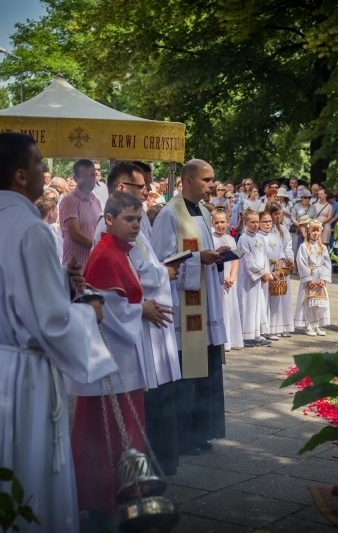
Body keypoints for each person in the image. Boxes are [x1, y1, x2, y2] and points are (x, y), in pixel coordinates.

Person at [0, 132, 118, 532]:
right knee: (25, 478)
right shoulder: (30, 229)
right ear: (19, 175)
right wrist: (91, 312)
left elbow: (4, 285)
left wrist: (57, 277)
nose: (46, 171)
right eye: (40, 164)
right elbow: (51, 323)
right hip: (18, 377)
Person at [91, 161, 183, 476]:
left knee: (138, 411)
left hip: (142, 322)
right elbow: (109, 298)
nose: (145, 193)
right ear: (120, 189)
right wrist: (142, 306)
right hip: (126, 335)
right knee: (120, 418)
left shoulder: (127, 228)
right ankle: (121, 478)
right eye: (138, 187)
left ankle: (140, 468)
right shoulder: (108, 233)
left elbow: (138, 267)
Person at [70, 191, 152, 524]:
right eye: (129, 219)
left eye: (138, 219)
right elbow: (105, 310)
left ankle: (125, 490)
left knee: (125, 428)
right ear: (109, 219)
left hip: (123, 359)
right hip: (111, 361)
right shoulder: (104, 254)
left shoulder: (119, 250)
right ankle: (102, 497)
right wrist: (141, 309)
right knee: (107, 431)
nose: (135, 225)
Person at [149, 158, 227, 456]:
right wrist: (199, 258)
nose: (211, 185)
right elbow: (161, 258)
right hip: (185, 305)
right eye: (207, 180)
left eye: (212, 180)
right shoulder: (170, 214)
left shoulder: (204, 213)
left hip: (206, 301)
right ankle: (182, 437)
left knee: (205, 368)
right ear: (187, 179)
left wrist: (216, 255)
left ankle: (200, 432)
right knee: (188, 371)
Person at [237, 209, 273, 346]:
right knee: (248, 304)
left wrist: (266, 272)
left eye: (257, 222)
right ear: (245, 223)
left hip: (259, 278)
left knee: (259, 305)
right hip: (248, 278)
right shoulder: (243, 239)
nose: (255, 225)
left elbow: (265, 257)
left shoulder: (261, 238)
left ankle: (257, 334)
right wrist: (262, 272)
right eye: (252, 222)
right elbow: (248, 260)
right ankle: (246, 335)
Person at [211, 209, 244, 351]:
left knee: (231, 309)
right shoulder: (211, 238)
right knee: (220, 308)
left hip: (230, 280)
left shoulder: (230, 239)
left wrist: (232, 276)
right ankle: (221, 341)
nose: (220, 225)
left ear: (228, 222)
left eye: (222, 222)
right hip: (217, 279)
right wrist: (222, 277)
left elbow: (236, 258)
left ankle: (231, 340)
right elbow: (211, 260)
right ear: (212, 223)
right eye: (216, 222)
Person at [59, 159, 101, 269]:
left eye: (92, 175)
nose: (90, 180)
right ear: (75, 179)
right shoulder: (70, 200)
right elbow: (75, 234)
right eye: (85, 177)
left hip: (93, 266)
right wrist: (99, 247)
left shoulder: (95, 201)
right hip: (76, 269)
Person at [294, 219, 332, 335]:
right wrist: (308, 279)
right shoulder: (304, 247)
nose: (315, 233)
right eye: (313, 231)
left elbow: (327, 263)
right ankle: (308, 325)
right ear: (308, 232)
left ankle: (317, 325)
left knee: (318, 302)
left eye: (317, 231)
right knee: (308, 302)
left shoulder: (323, 248)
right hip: (310, 277)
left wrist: (324, 279)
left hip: (320, 277)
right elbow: (301, 263)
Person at [264, 202, 295, 337]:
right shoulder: (265, 230)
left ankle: (284, 326)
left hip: (282, 266)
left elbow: (288, 245)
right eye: (275, 214)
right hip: (270, 266)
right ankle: (271, 327)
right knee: (271, 296)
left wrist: (290, 258)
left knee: (283, 295)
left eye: (279, 213)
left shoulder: (283, 229)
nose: (278, 216)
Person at [35, 196, 63, 263]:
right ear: (51, 214)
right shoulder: (43, 231)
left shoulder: (51, 228)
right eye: (56, 211)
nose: (57, 213)